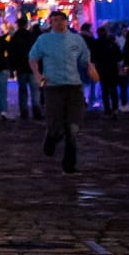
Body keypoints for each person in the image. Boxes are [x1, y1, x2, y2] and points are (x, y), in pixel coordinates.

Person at [30, 10, 98, 175]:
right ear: (50, 23)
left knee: (72, 129)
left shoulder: (76, 40)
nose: (58, 23)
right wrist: (38, 75)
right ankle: (51, 138)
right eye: (54, 20)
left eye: (61, 20)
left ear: (66, 22)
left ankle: (69, 165)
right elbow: (33, 58)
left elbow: (85, 59)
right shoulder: (44, 40)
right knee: (56, 126)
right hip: (53, 87)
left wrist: (91, 69)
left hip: (74, 87)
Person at [8, 18, 42, 120]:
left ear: (18, 25)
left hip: (20, 68)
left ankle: (24, 111)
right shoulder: (32, 37)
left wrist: (12, 68)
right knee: (35, 90)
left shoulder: (15, 38)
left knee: (22, 91)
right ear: (26, 25)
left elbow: (11, 54)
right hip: (32, 67)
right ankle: (36, 110)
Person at [89, 25, 123, 119]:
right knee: (113, 90)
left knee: (105, 90)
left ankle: (107, 110)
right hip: (112, 69)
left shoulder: (96, 44)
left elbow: (93, 57)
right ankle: (115, 109)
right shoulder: (112, 43)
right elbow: (119, 56)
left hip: (102, 70)